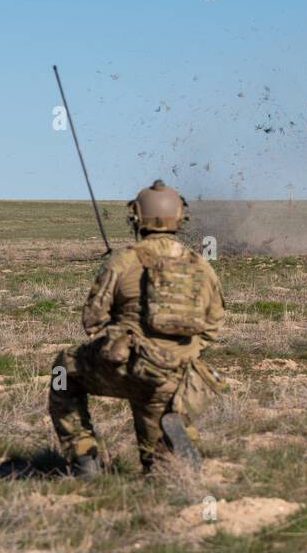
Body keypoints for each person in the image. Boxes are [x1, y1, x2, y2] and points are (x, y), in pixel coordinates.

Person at [48, 180, 225, 476]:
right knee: (157, 464)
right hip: (175, 378)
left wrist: (118, 334)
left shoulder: (124, 260)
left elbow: (91, 319)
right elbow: (212, 328)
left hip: (125, 367)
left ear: (136, 217)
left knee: (62, 371)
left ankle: (83, 455)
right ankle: (175, 444)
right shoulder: (201, 265)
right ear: (180, 218)